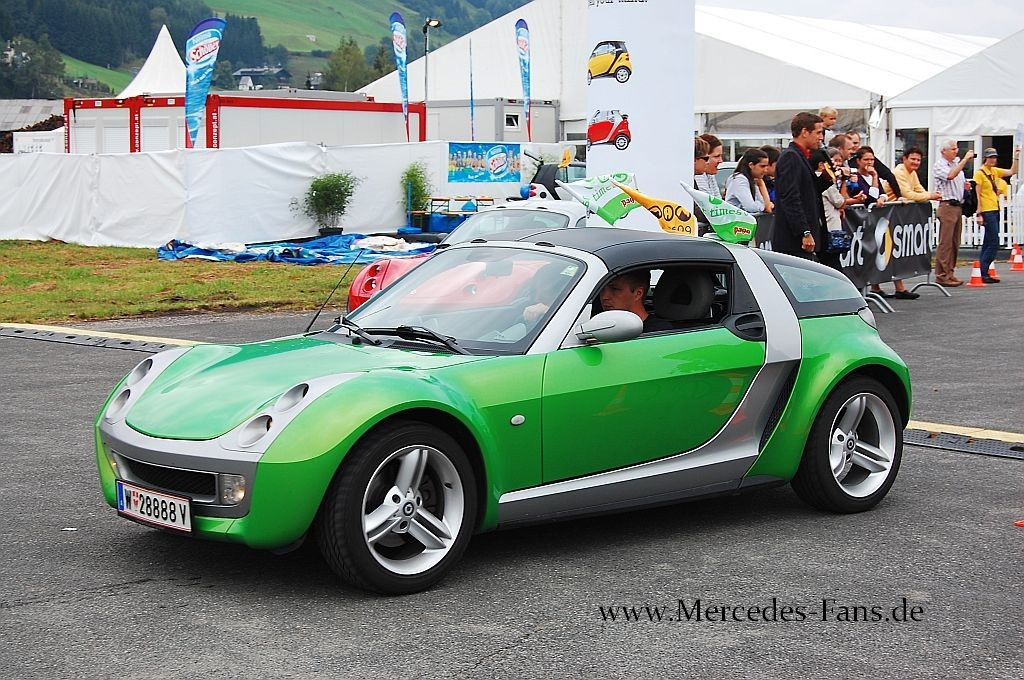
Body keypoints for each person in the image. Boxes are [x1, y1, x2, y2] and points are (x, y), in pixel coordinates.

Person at [848, 147, 919, 299]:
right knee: (868, 255)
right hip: (862, 221)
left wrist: (882, 197)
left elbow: (882, 193)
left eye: (872, 160)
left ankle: (890, 287)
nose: (869, 163)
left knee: (886, 250)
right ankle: (870, 287)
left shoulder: (874, 176)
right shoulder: (855, 178)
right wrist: (875, 181)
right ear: (858, 161)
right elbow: (868, 198)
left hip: (877, 219)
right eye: (866, 159)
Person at [773, 112, 826, 259]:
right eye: (818, 132)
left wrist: (826, 179)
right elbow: (790, 198)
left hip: (802, 241)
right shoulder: (791, 157)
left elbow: (809, 193)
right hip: (794, 242)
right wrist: (804, 232)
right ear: (804, 132)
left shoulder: (800, 157)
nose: (821, 138)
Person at [974, 146, 1020, 283]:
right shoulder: (980, 173)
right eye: (990, 157)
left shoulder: (994, 171)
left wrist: (1016, 157)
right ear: (985, 158)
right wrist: (979, 212)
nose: (993, 160)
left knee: (988, 241)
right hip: (986, 210)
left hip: (995, 208)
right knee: (993, 241)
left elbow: (1012, 171)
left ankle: (983, 272)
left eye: (994, 157)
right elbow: (977, 194)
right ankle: (983, 270)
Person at [933, 139, 975, 287]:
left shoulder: (955, 165)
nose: (956, 151)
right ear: (943, 151)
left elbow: (956, 179)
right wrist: (965, 160)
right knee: (945, 243)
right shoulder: (940, 165)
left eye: (956, 148)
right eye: (952, 149)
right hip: (947, 206)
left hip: (957, 206)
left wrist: (965, 188)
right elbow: (950, 175)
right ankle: (942, 275)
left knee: (955, 242)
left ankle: (950, 272)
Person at [598, 270, 671, 333]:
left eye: (615, 289)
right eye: (601, 289)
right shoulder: (600, 325)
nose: (604, 296)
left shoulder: (659, 332)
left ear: (638, 293)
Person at [812, 147, 848, 272]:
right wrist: (844, 181)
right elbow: (840, 201)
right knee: (833, 264)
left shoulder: (811, 178)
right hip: (829, 229)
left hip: (822, 227)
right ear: (821, 165)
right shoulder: (823, 180)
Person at [846, 131, 902, 200]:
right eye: (866, 160)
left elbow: (888, 176)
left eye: (855, 143)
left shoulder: (872, 170)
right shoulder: (854, 173)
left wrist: (898, 196)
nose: (869, 162)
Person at [724, 148, 773, 213]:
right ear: (751, 165)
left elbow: (764, 205)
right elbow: (751, 208)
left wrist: (761, 184)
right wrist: (764, 205)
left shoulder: (751, 179)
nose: (765, 170)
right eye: (762, 166)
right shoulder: (739, 180)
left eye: (766, 166)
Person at [696, 133, 724, 197]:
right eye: (717, 156)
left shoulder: (709, 175)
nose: (721, 161)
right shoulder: (698, 176)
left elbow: (717, 200)